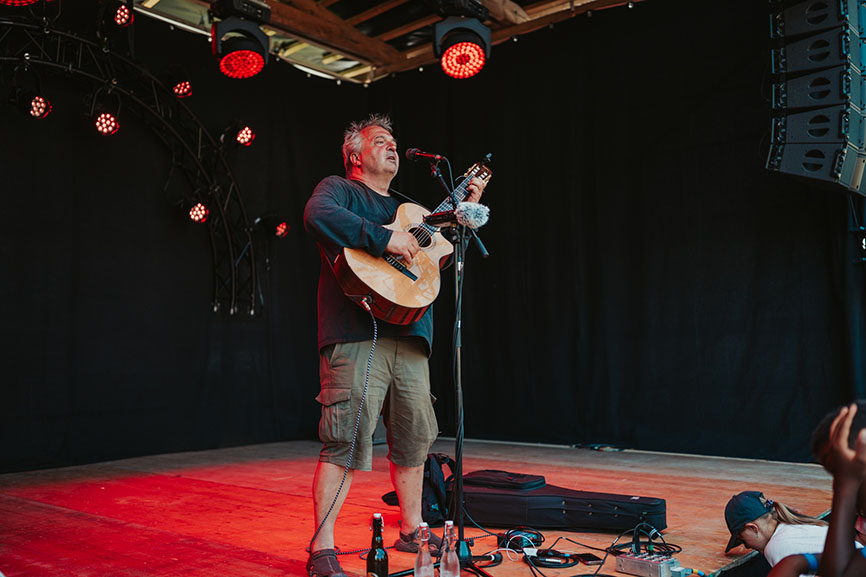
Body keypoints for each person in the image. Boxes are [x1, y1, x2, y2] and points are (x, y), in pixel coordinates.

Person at [302, 113, 487, 577]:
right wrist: (384, 238)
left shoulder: (413, 210)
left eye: (393, 141)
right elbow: (317, 216)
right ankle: (322, 545)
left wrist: (462, 215)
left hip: (411, 334)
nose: (391, 146)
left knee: (415, 438)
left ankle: (412, 530)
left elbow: (435, 258)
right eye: (380, 141)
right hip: (356, 331)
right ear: (355, 156)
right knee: (345, 438)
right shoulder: (339, 190)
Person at [723, 491, 828, 569]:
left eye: (743, 540)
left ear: (753, 528)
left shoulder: (777, 546)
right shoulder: (794, 525)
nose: (747, 547)